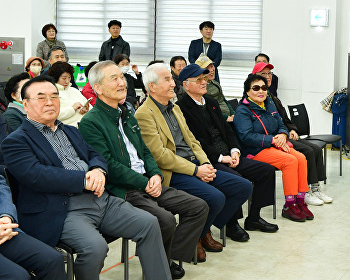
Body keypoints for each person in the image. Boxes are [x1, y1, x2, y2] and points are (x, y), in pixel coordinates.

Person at [1, 76, 172, 279]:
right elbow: (35, 175)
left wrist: (99, 171)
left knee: (150, 223)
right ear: (26, 105)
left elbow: (95, 155)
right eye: (41, 98)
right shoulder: (16, 140)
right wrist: (84, 179)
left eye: (54, 96)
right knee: (95, 248)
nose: (49, 102)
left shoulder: (71, 130)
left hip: (101, 199)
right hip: (64, 209)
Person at [79, 61, 209, 277]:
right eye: (114, 79)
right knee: (165, 219)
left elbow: (145, 152)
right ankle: (161, 261)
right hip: (125, 189)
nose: (122, 82)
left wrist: (156, 175)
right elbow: (109, 165)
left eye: (122, 77)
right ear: (98, 88)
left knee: (198, 207)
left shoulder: (127, 112)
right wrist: (145, 182)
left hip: (149, 181)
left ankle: (164, 256)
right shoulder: (91, 122)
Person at [135, 63, 253, 252]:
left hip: (196, 164)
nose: (173, 83)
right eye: (167, 79)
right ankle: (191, 239)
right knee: (215, 197)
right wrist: (197, 170)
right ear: (152, 87)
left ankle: (201, 231)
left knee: (243, 187)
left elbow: (192, 141)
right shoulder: (144, 114)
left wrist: (205, 164)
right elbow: (160, 156)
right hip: (173, 172)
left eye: (172, 79)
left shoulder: (174, 108)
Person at [176, 63, 278, 234]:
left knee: (266, 171)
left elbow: (227, 130)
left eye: (205, 78)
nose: (204, 82)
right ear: (186, 85)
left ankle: (253, 218)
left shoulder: (211, 102)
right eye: (199, 79)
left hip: (228, 154)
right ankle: (231, 223)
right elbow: (196, 141)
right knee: (237, 180)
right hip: (209, 159)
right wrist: (221, 158)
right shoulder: (181, 108)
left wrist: (234, 151)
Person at [234, 74, 313, 222]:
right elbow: (246, 136)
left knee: (301, 158)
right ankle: (289, 205)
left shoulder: (269, 103)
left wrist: (283, 135)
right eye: (256, 88)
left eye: (263, 88)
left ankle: (300, 201)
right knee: (290, 161)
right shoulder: (242, 111)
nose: (261, 91)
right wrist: (272, 140)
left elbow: (281, 124)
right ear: (247, 92)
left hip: (275, 145)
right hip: (255, 150)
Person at [252, 62, 332, 205]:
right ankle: (305, 191)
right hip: (275, 139)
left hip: (285, 134)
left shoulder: (272, 97)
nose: (267, 77)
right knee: (308, 151)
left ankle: (316, 188)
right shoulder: (254, 98)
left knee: (316, 149)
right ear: (254, 78)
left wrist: (292, 129)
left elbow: (283, 119)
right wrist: (284, 133)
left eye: (269, 74)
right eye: (263, 74)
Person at [0, 174, 67, 280]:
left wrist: (6, 216)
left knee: (53, 260)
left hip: (3, 231)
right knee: (17, 276)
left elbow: (1, 186)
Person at [47, 62, 92, 127]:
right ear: (56, 77)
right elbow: (52, 115)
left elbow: (91, 108)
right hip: (67, 130)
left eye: (69, 77)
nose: (67, 81)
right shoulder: (51, 93)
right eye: (64, 78)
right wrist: (72, 109)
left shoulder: (74, 91)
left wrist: (86, 110)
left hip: (84, 126)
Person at [196, 55, 235, 122]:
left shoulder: (215, 82)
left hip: (229, 116)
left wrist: (232, 113)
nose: (211, 70)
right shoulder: (201, 88)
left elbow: (223, 99)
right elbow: (208, 109)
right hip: (218, 120)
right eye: (207, 68)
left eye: (211, 66)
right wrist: (225, 117)